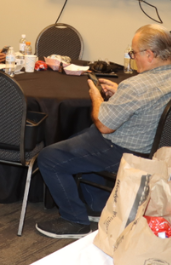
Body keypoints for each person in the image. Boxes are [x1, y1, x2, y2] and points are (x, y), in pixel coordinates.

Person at [36, 24, 171, 239]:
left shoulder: (136, 85)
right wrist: (121, 94)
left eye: (134, 53)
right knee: (78, 140)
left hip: (124, 151)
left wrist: (96, 97)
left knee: (49, 157)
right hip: (153, 149)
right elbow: (151, 101)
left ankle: (75, 221)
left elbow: (104, 125)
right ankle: (97, 208)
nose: (133, 57)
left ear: (149, 54)